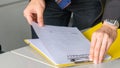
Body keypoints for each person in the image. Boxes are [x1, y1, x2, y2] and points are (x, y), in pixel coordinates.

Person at [23, 0, 120, 64]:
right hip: (48, 2)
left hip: (90, 2)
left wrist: (110, 24)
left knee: (89, 56)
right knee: (43, 56)